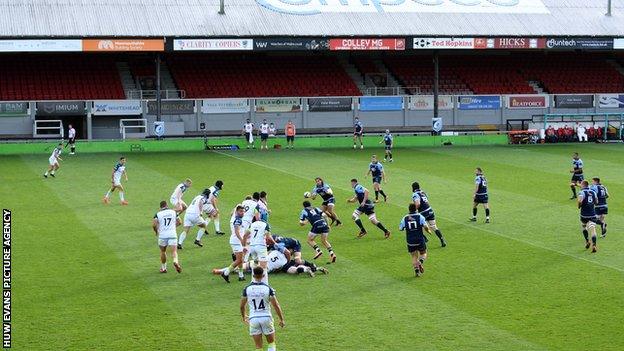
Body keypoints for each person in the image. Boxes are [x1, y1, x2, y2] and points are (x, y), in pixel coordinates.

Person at [240, 266, 285, 351]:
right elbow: (276, 305)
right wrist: (281, 319)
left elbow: (242, 306)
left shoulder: (247, 289)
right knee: (271, 343)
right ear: (263, 275)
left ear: (253, 275)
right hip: (266, 317)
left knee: (258, 347)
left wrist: (243, 316)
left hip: (253, 319)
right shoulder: (268, 288)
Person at [214, 205, 247, 282]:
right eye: (241, 211)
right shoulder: (238, 220)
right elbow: (236, 231)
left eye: (243, 211)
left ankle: (241, 276)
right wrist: (242, 240)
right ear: (237, 212)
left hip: (236, 241)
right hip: (236, 241)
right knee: (239, 260)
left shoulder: (237, 218)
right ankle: (225, 273)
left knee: (240, 259)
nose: (242, 213)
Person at [399, 204, 432, 277]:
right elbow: (425, 226)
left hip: (410, 241)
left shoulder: (405, 218)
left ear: (409, 209)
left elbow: (400, 228)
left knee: (414, 256)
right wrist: (428, 231)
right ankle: (420, 262)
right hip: (419, 239)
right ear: (416, 209)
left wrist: (406, 228)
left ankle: (417, 272)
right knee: (424, 253)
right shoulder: (420, 216)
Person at [412, 182, 447, 247]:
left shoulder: (415, 194)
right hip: (430, 210)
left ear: (413, 188)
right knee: (434, 226)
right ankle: (442, 240)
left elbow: (418, 203)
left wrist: (415, 211)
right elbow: (426, 201)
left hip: (423, 212)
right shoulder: (423, 192)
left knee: (416, 226)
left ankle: (424, 239)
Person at [241, 218, 275, 284]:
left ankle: (253, 282)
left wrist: (244, 246)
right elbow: (268, 237)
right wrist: (275, 243)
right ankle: (266, 285)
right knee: (264, 267)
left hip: (252, 247)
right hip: (261, 247)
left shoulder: (252, 224)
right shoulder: (265, 224)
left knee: (255, 264)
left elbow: (245, 235)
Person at [152, 201, 182, 273]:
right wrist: (173, 227)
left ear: (160, 207)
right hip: (172, 234)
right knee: (174, 251)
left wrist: (156, 232)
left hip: (162, 235)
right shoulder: (173, 212)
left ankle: (164, 268)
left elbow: (154, 225)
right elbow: (180, 222)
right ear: (167, 205)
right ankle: (175, 261)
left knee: (163, 251)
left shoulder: (158, 214)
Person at [578, 181, 599, 253]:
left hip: (584, 214)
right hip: (592, 214)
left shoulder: (581, 192)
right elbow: (596, 202)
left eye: (580, 184)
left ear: (583, 185)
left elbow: (580, 201)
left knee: (584, 226)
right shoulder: (593, 192)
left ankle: (587, 241)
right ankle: (594, 245)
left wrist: (579, 205)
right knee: (593, 229)